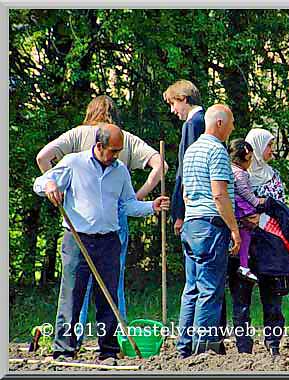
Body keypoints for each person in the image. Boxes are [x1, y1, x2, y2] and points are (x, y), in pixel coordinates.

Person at [35, 95, 168, 341]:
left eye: (119, 152)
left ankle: (109, 347)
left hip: (109, 237)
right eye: (112, 151)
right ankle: (66, 345)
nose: (116, 156)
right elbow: (41, 178)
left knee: (109, 294)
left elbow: (127, 204)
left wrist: (150, 205)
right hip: (78, 236)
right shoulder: (75, 161)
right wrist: (52, 184)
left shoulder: (120, 170)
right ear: (99, 145)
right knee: (73, 294)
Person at [175, 104, 241, 358]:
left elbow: (184, 191)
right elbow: (219, 193)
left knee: (191, 288)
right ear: (220, 123)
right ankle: (203, 349)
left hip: (191, 224)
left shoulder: (191, 151)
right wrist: (234, 228)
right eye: (231, 122)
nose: (233, 127)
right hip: (211, 225)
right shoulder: (217, 151)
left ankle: (184, 347)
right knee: (210, 289)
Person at [228, 127, 289, 356]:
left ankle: (273, 343)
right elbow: (228, 204)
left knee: (272, 298)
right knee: (241, 298)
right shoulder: (235, 175)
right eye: (269, 145)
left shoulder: (273, 176)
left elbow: (280, 207)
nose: (272, 150)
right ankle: (244, 347)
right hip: (243, 241)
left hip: (269, 242)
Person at [163, 79, 206, 236]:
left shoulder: (192, 124)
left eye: (173, 104)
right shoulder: (206, 120)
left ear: (184, 99)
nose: (173, 110)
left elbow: (188, 170)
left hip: (193, 207)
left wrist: (180, 212)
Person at [229, 139, 265, 283]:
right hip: (242, 208)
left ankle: (243, 259)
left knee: (242, 235)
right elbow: (244, 191)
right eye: (249, 158)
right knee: (246, 234)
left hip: (234, 207)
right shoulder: (241, 174)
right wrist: (256, 202)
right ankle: (243, 263)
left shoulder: (228, 169)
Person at [245, 128, 285, 203]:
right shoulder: (240, 175)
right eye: (269, 145)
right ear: (257, 145)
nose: (272, 149)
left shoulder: (273, 174)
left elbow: (282, 204)